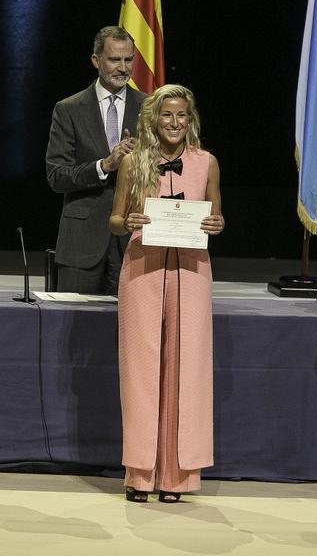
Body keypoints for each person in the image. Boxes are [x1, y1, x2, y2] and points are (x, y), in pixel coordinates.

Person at [109, 84, 224, 503]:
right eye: (166, 115)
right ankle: (139, 474)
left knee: (186, 373)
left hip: (192, 272)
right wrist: (129, 220)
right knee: (140, 372)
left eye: (181, 116)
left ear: (189, 120)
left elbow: (218, 214)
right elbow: (116, 220)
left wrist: (216, 224)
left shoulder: (206, 162)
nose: (174, 123)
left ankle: (177, 478)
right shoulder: (134, 162)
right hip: (142, 269)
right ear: (153, 119)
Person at [46, 26, 148, 293]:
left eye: (128, 60)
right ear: (96, 61)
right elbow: (57, 176)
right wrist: (104, 165)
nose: (123, 67)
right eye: (115, 59)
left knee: (129, 331)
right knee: (75, 330)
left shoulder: (150, 108)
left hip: (135, 241)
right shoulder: (68, 109)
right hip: (82, 244)